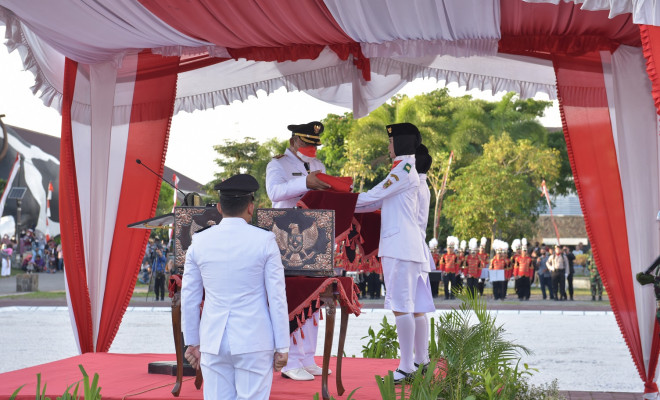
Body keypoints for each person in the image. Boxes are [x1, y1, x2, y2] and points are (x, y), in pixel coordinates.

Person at [182, 174, 289, 400]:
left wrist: (192, 342)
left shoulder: (199, 240)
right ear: (251, 208)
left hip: (213, 341)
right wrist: (282, 346)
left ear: (219, 208)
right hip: (254, 339)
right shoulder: (265, 240)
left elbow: (189, 297)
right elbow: (277, 297)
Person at [354, 122, 434, 383]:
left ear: (400, 143)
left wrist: (340, 201)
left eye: (391, 142)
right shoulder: (407, 172)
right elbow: (377, 201)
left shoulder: (403, 170)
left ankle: (406, 366)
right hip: (410, 247)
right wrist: (353, 203)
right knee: (416, 308)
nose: (388, 147)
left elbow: (373, 195)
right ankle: (421, 360)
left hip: (400, 247)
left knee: (401, 307)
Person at [265, 121, 330, 381]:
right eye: (306, 143)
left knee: (313, 297)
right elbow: (275, 192)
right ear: (294, 141)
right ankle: (290, 359)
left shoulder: (318, 165)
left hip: (313, 236)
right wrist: (306, 182)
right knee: (290, 296)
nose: (311, 149)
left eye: (314, 145)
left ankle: (306, 357)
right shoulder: (277, 164)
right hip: (284, 235)